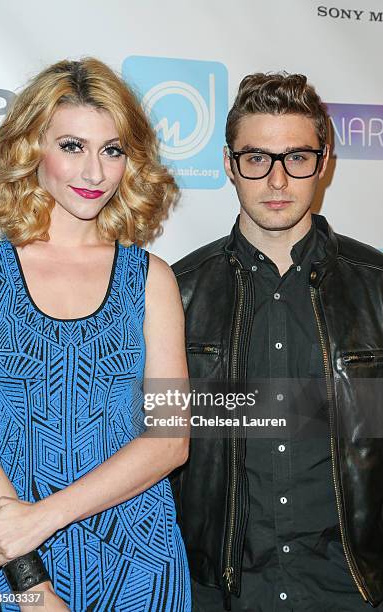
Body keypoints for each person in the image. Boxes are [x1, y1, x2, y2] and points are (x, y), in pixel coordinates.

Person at [0, 57, 191, 611]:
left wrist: (42, 518)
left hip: (138, 555)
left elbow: (170, 440)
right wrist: (31, 583)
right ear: (30, 148)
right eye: (72, 146)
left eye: (112, 150)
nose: (94, 173)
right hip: (8, 554)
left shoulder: (151, 278)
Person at [172, 72, 383, 611]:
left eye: (297, 157)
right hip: (222, 595)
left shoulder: (378, 287)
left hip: (354, 591)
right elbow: (159, 453)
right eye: (257, 158)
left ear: (325, 159)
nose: (278, 180)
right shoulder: (176, 294)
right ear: (228, 164)